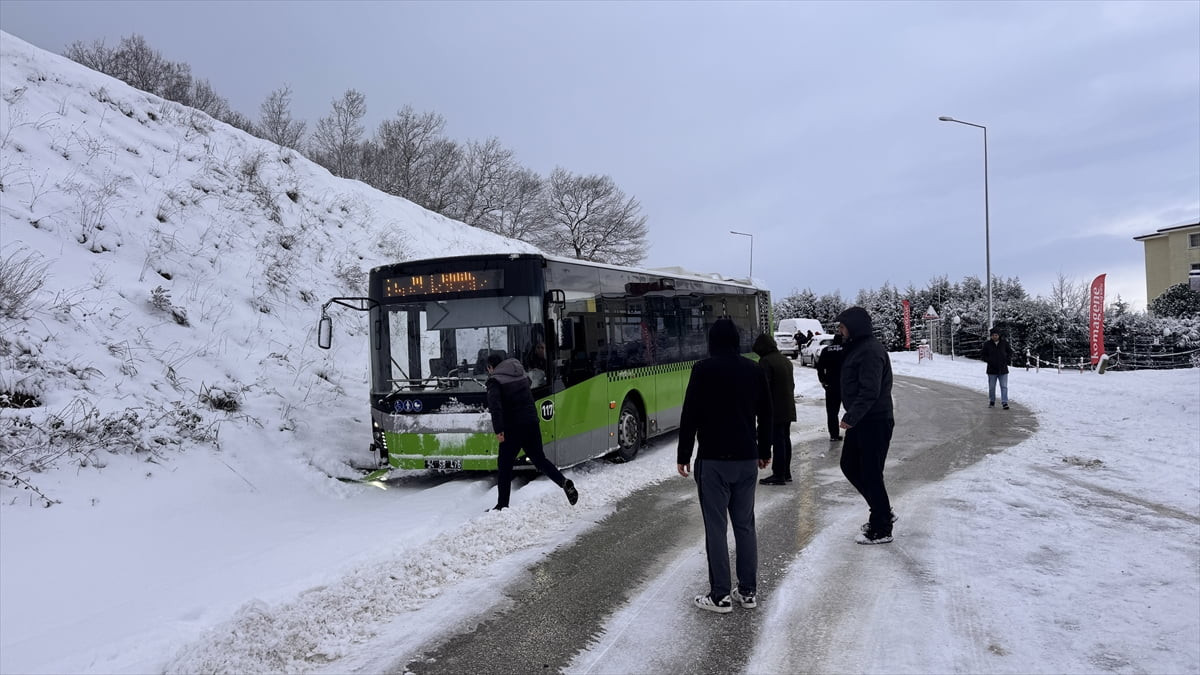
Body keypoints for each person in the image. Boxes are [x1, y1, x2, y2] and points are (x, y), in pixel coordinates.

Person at [677, 318, 772, 613]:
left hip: (713, 461)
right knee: (745, 526)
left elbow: (690, 414)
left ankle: (719, 595)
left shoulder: (703, 370)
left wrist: (683, 454)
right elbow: (767, 412)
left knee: (716, 529)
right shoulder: (754, 370)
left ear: (711, 341)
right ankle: (748, 591)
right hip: (746, 459)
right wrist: (765, 449)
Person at [485, 353, 578, 510]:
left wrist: (499, 429)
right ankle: (563, 482)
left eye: (488, 369)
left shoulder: (494, 381)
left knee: (505, 466)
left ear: (491, 367)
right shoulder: (520, 374)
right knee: (540, 459)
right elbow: (528, 386)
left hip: (512, 427)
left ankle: (502, 505)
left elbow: (496, 407)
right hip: (531, 423)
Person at [835, 306, 896, 545]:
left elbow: (870, 391)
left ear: (855, 326)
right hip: (863, 420)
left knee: (871, 473)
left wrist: (851, 416)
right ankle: (882, 510)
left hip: (874, 420)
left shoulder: (870, 350)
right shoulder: (857, 347)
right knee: (849, 465)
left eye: (842, 326)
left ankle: (882, 528)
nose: (840, 331)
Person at [753, 333, 796, 485]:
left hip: (774, 408)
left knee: (778, 441)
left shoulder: (766, 362)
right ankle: (786, 472)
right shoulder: (785, 360)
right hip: (788, 406)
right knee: (785, 439)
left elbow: (763, 388)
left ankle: (778, 474)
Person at [816, 332, 846, 441]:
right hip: (846, 384)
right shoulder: (846, 349)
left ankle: (834, 434)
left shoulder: (826, 350)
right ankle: (854, 431)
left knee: (832, 412)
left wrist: (823, 381)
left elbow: (820, 368)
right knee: (851, 408)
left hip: (831, 385)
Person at [980, 327, 1012, 409]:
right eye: (993, 335)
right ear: (991, 336)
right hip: (991, 370)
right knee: (991, 387)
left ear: (999, 335)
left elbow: (1010, 352)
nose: (995, 336)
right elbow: (983, 355)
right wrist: (989, 360)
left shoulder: (1004, 343)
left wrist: (1006, 360)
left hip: (1003, 369)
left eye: (996, 335)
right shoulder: (987, 344)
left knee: (1004, 386)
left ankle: (1004, 402)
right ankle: (992, 401)